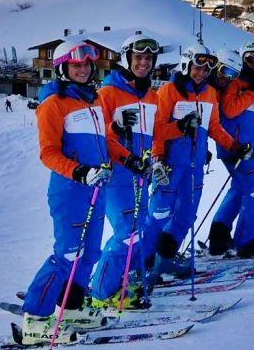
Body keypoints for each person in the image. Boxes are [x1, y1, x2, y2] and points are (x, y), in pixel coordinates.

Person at [21, 40, 112, 345]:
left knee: (91, 253)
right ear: (63, 68)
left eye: (87, 64)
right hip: (70, 190)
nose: (84, 69)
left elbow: (105, 143)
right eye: (77, 65)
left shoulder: (94, 101)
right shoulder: (53, 104)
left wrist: (125, 158)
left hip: (96, 188)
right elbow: (48, 152)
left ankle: (71, 307)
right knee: (67, 254)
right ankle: (35, 318)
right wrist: (80, 171)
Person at [142, 45, 248, 282]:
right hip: (169, 164)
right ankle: (143, 264)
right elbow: (156, 130)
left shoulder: (209, 92)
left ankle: (165, 259)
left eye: (206, 69)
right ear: (186, 64)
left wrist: (233, 145)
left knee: (186, 216)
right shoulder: (169, 90)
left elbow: (214, 127)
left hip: (194, 166)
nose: (201, 73)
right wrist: (158, 156)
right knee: (159, 215)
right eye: (198, 67)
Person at [88, 33, 161, 309]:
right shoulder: (107, 94)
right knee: (127, 233)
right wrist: (116, 128)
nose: (143, 63)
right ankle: (101, 293)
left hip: (141, 175)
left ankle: (115, 280)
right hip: (118, 174)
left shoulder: (153, 97)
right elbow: (97, 137)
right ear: (126, 59)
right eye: (138, 58)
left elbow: (156, 134)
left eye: (148, 58)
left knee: (138, 230)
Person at [213, 41, 254, 258]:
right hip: (234, 147)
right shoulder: (235, 82)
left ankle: (218, 235)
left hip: (249, 148)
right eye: (251, 58)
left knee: (239, 190)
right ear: (242, 58)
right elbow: (228, 111)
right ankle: (246, 241)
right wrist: (251, 93)